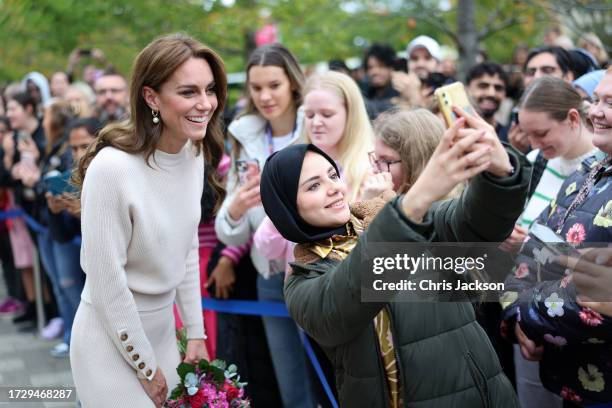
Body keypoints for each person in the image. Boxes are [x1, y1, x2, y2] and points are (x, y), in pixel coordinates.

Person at [260, 107, 530, 406]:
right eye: (313, 186)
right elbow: (353, 286)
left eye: (332, 175)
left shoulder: (403, 218)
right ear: (288, 207)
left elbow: (472, 221)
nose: (334, 189)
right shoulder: (303, 280)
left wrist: (500, 172)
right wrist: (412, 201)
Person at [70, 33, 227, 407]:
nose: (205, 103)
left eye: (209, 89)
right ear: (151, 97)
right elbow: (107, 282)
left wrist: (196, 332)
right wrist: (144, 365)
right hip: (108, 341)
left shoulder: (193, 154)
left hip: (161, 336)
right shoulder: (112, 169)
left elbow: (187, 249)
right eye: (188, 92)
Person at [214, 43, 317, 408]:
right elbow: (231, 229)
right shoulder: (243, 135)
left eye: (273, 85)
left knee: (335, 375)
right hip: (270, 274)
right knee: (290, 383)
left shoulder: (318, 123)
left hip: (322, 268)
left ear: (292, 82)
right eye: (256, 88)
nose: (265, 96)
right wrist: (238, 208)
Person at [501, 68, 612, 406]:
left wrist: (526, 317)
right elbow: (530, 255)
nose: (596, 111)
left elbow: (592, 304)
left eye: (610, 102)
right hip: (571, 385)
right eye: (597, 100)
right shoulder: (586, 173)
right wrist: (515, 315)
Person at [466, 62, 510, 142]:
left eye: (498, 88)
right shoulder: (451, 133)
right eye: (483, 86)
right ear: (467, 89)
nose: (491, 93)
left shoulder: (511, 139)